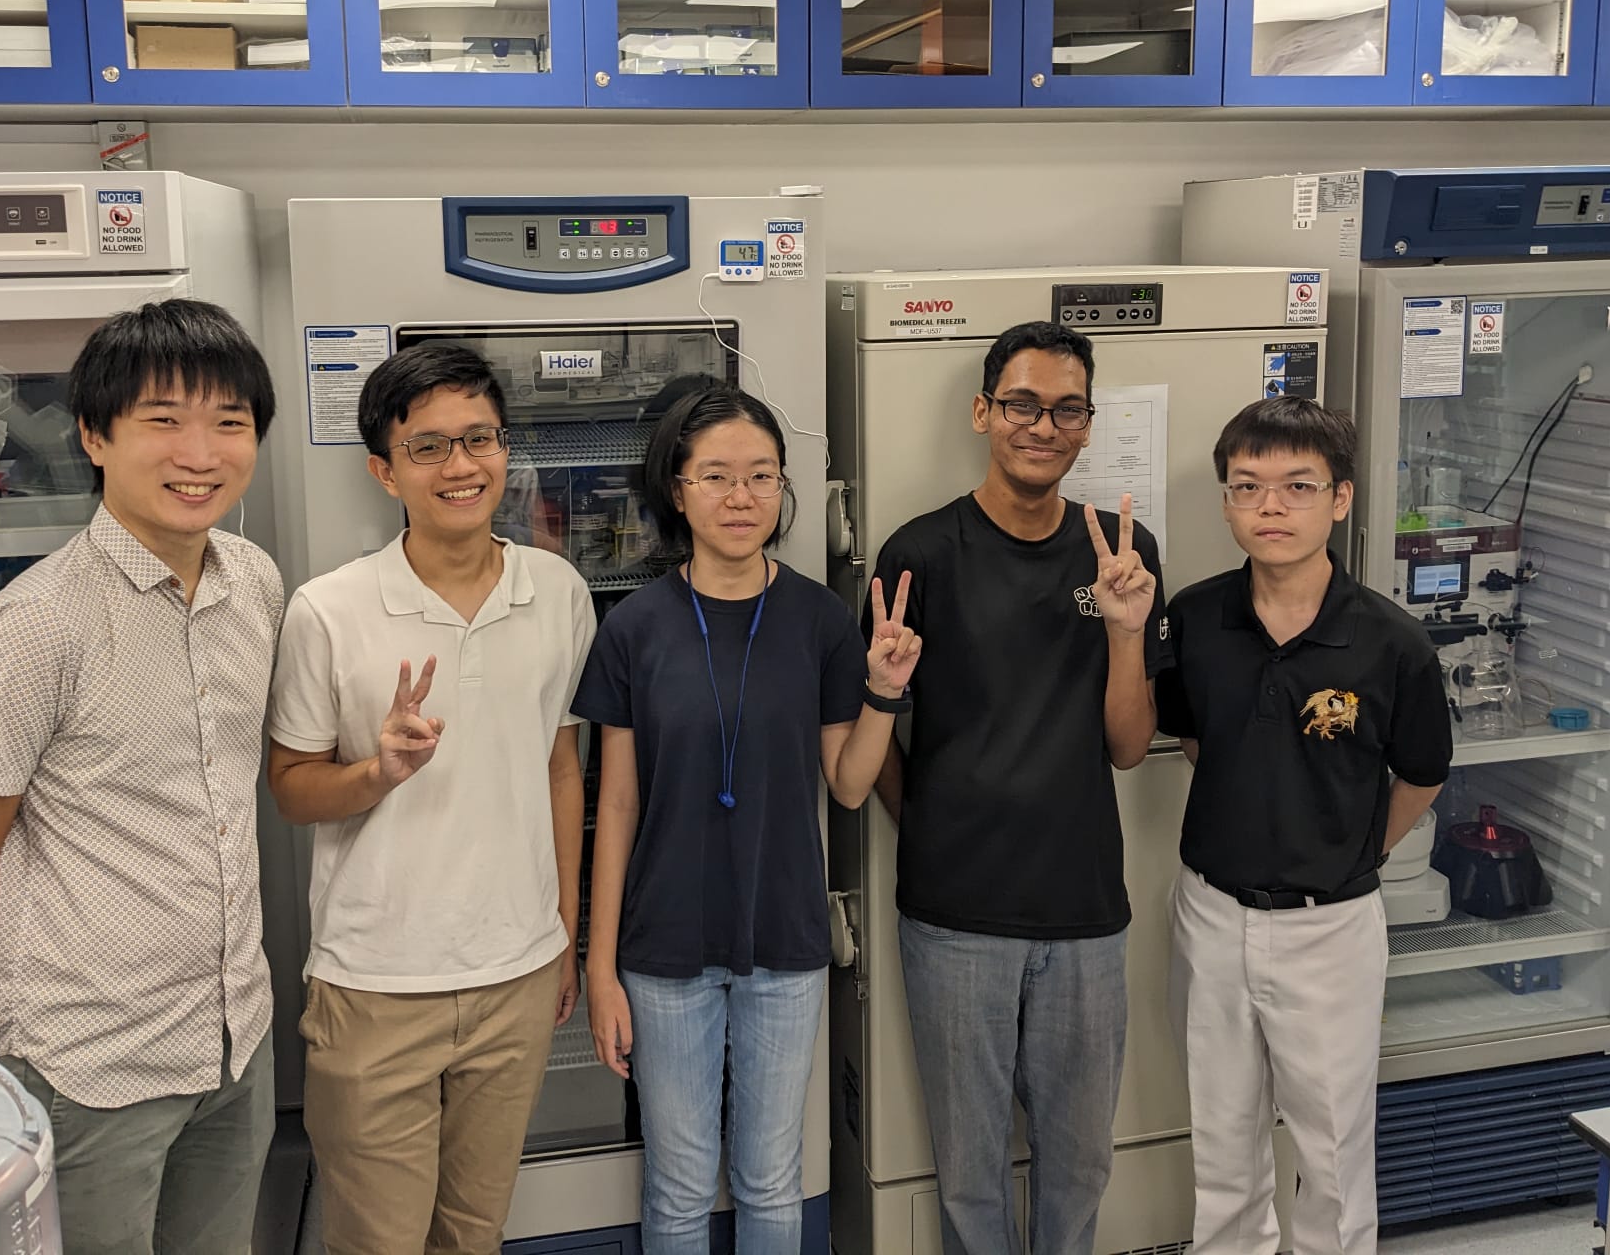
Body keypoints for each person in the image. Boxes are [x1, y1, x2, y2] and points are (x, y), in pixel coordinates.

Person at [0, 298, 283, 1255]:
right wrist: (64, 973)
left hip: (234, 1039)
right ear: (94, 435)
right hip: (88, 1070)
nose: (200, 452)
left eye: (229, 421)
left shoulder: (254, 584)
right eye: (163, 419)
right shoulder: (39, 625)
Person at [574, 380, 920, 1255]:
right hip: (663, 946)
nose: (742, 497)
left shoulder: (820, 619)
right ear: (677, 488)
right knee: (680, 1185)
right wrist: (600, 968)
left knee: (771, 1180)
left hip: (784, 939)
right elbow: (616, 805)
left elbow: (849, 784)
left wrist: (883, 691)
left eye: (762, 476)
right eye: (718, 476)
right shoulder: (633, 628)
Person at [265, 341, 595, 1255]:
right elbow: (291, 790)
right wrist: (377, 772)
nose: (461, 466)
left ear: (505, 450)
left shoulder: (558, 592)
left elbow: (559, 767)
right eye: (429, 447)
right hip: (377, 985)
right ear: (385, 470)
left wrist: (562, 934)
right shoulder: (329, 610)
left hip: (517, 974)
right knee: (378, 1242)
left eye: (480, 439)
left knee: (474, 1234)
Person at [867, 320, 1171, 1255]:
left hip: (1084, 908)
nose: (1044, 426)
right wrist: (931, 819)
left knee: (1080, 1165)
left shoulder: (1123, 555)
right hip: (955, 916)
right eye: (1023, 405)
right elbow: (873, 724)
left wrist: (1125, 629)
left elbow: (1130, 748)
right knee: (971, 1175)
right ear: (983, 412)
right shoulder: (919, 553)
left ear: (1088, 424)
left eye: (1067, 410)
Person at [1158, 398, 1451, 1255]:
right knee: (1221, 1143)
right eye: (1247, 486)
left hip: (1331, 928)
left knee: (1331, 1154)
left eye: (1298, 486)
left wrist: (1352, 846)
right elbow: (1194, 738)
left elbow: (1423, 774)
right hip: (1212, 914)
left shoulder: (1391, 642)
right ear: (1226, 501)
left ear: (1341, 498)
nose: (1271, 507)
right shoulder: (1196, 618)